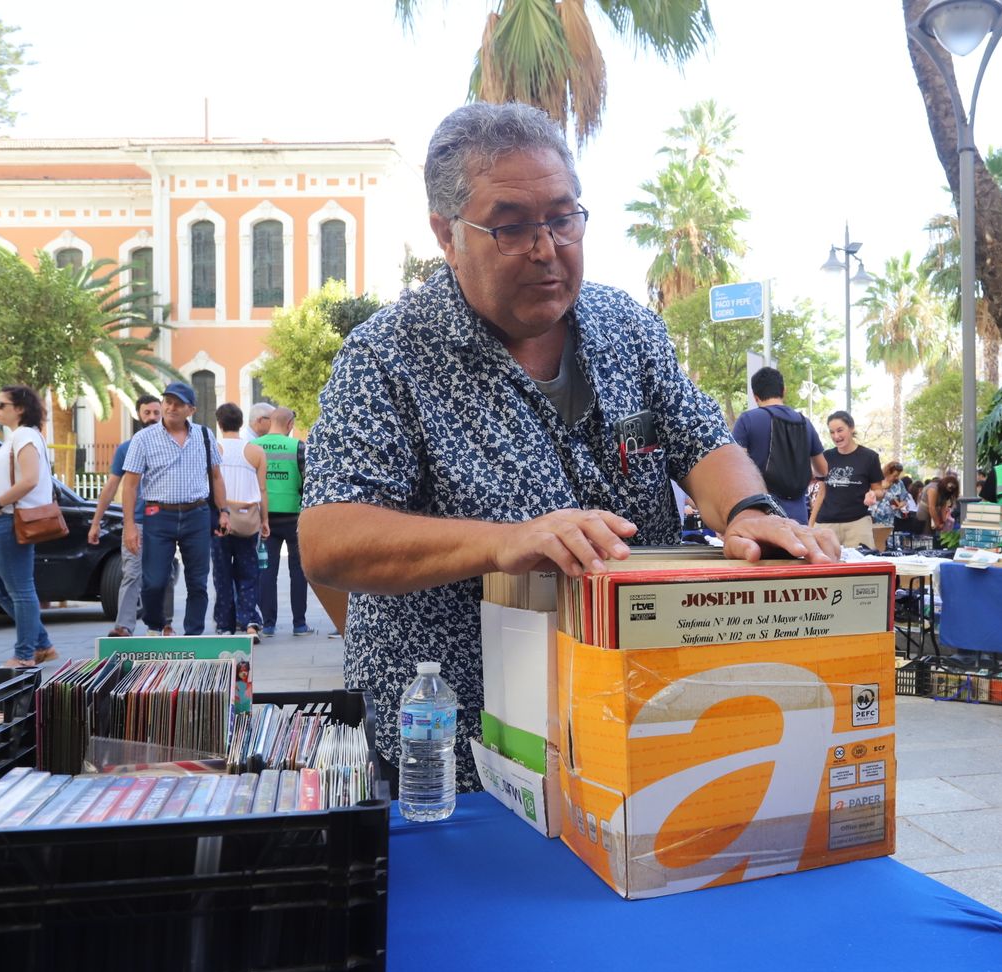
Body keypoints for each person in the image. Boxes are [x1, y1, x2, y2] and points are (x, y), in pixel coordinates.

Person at [299, 101, 839, 792]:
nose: (546, 248)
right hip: (463, 760)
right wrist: (504, 543)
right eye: (511, 227)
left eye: (562, 218)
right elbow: (329, 538)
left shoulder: (625, 327)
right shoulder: (387, 355)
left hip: (637, 729)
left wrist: (748, 511)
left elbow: (702, 440)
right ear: (446, 234)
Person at [120, 382, 231, 636]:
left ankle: (193, 634)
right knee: (154, 581)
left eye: (178, 404)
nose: (171, 407)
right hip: (158, 516)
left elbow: (216, 476)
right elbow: (130, 485)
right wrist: (129, 526)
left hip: (197, 514)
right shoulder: (143, 438)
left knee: (198, 581)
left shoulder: (204, 436)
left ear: (191, 410)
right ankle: (156, 624)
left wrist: (224, 511)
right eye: (167, 402)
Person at [0, 385, 58, 668]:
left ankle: (24, 654)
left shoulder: (25, 435)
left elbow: (30, 479)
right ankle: (42, 644)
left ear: (20, 408)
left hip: (12, 518)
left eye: (1, 405)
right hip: (2, 520)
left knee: (20, 590)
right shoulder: (16, 436)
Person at [89, 394, 176, 636]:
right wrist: (95, 522)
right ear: (139, 415)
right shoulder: (127, 448)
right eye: (147, 412)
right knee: (131, 574)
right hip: (135, 523)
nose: (152, 417)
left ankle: (166, 624)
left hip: (164, 522)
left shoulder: (174, 445)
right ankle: (124, 626)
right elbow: (111, 486)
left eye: (156, 412)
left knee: (165, 575)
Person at [731, 367, 826, 524]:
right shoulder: (805, 423)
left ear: (755, 396)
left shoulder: (747, 419)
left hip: (761, 513)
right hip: (798, 516)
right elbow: (822, 469)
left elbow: (737, 468)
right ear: (783, 390)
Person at [255, 406, 315, 636]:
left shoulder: (253, 446)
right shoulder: (298, 447)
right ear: (290, 424)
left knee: (266, 571)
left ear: (270, 421)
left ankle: (268, 624)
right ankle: (299, 624)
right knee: (298, 572)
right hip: (294, 516)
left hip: (264, 518)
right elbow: (307, 481)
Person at [211, 403, 269, 636]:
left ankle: (225, 625)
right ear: (242, 422)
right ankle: (250, 622)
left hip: (220, 519)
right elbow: (262, 490)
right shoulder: (256, 452)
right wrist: (265, 520)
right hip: (248, 519)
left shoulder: (214, 449)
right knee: (248, 573)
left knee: (222, 574)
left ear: (219, 423)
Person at [810, 411, 884, 550]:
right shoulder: (826, 457)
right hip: (826, 525)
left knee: (861, 563)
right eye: (832, 432)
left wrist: (873, 494)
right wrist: (810, 525)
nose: (836, 436)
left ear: (851, 428)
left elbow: (879, 490)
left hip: (857, 525)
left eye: (840, 430)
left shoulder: (870, 457)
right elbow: (821, 493)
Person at [869, 461, 913, 528]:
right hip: (873, 517)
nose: (897, 478)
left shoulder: (899, 484)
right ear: (888, 473)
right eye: (895, 475)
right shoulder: (877, 481)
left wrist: (902, 503)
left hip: (889, 520)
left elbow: (905, 498)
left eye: (898, 475)